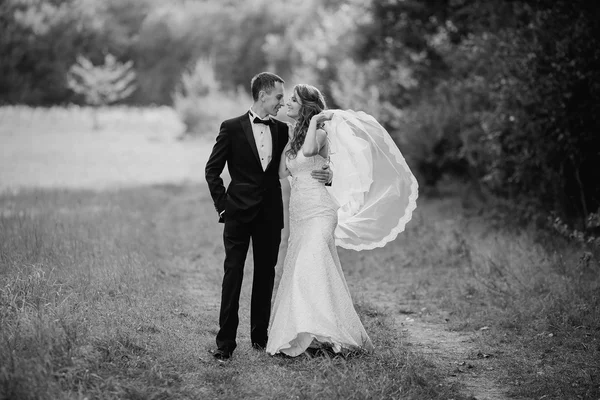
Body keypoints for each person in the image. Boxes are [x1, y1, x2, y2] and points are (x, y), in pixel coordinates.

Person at [266, 84, 418, 357]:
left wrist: (313, 121)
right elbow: (280, 172)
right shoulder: (293, 137)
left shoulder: (320, 133)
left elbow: (311, 151)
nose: (287, 103)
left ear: (306, 107)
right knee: (306, 269)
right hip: (299, 214)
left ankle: (328, 333)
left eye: (293, 100)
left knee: (307, 265)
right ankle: (312, 335)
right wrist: (289, 141)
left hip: (321, 212)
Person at [205, 73, 332, 361]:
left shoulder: (283, 130)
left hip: (270, 214)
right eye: (278, 96)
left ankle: (260, 340)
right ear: (262, 95)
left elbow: (309, 157)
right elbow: (212, 170)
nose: (280, 102)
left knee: (265, 276)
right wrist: (223, 205)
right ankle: (225, 343)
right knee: (233, 274)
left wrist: (329, 172)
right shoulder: (231, 128)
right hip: (237, 212)